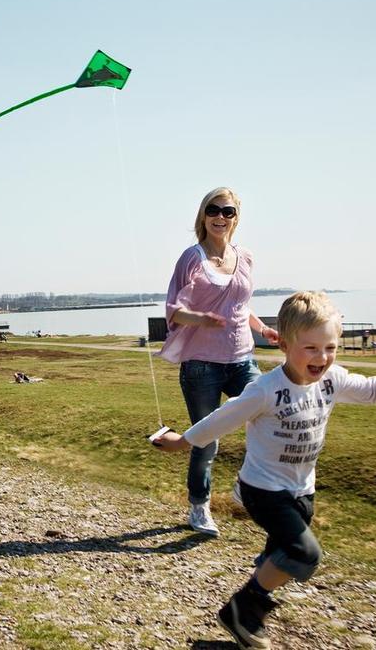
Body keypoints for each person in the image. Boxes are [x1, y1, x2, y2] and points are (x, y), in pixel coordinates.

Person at [152, 291, 376, 649]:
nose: (322, 357)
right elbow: (222, 420)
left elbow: (372, 389)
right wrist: (181, 442)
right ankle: (242, 610)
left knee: (283, 554)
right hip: (263, 489)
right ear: (283, 344)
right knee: (304, 553)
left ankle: (260, 586)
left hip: (301, 489)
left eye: (330, 347)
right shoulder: (265, 390)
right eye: (310, 348)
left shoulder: (332, 380)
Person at [159, 187, 280, 537]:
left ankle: (248, 485)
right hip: (202, 365)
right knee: (206, 438)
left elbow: (241, 305)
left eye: (227, 211)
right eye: (213, 210)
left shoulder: (246, 257)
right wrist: (202, 319)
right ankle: (199, 507)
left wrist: (263, 330)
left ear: (236, 218)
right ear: (203, 214)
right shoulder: (191, 258)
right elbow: (174, 311)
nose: (220, 217)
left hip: (242, 358)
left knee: (268, 417)